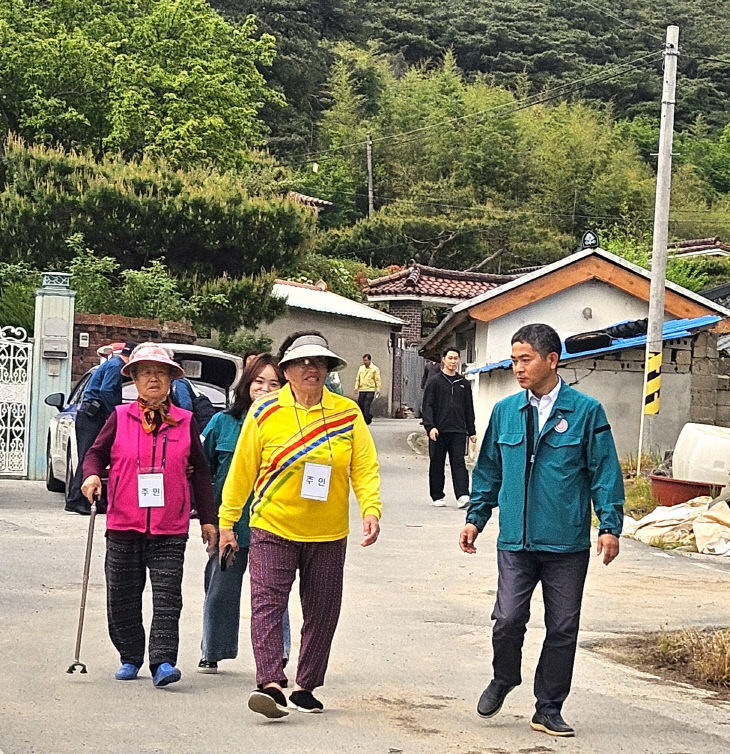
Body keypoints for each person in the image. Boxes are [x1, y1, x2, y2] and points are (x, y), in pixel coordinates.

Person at [458, 323, 624, 738]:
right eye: (514, 360)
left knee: (563, 627)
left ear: (552, 359)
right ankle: (504, 677)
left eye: (525, 359)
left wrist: (609, 524)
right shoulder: (505, 411)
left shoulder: (586, 412)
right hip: (515, 539)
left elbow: (604, 471)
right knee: (508, 619)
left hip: (566, 542)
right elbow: (488, 470)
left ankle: (548, 707)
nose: (517, 368)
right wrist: (475, 518)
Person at [218, 331, 382, 719]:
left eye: (319, 362)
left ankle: (306, 685)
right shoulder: (265, 412)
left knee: (323, 610)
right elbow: (242, 471)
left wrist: (371, 509)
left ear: (328, 370)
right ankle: (271, 683)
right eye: (302, 362)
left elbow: (364, 467)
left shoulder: (347, 413)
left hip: (327, 533)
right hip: (272, 525)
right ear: (286, 370)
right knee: (267, 604)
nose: (311, 368)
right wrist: (227, 521)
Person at [81, 342, 216, 687]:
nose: (153, 379)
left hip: (170, 525)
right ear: (135, 380)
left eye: (160, 372)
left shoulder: (185, 422)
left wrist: (208, 520)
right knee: (122, 595)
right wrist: (92, 475)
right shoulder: (120, 418)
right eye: (145, 373)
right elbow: (95, 454)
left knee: (168, 598)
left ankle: (163, 662)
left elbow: (201, 473)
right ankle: (130, 655)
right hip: (124, 522)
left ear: (172, 380)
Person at [198, 354, 291, 674]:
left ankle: (278, 654)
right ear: (247, 384)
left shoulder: (289, 426)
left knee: (273, 594)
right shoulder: (222, 423)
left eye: (274, 383)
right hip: (230, 524)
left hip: (274, 523)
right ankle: (213, 648)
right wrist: (208, 519)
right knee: (221, 587)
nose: (264, 389)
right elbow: (201, 469)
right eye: (258, 382)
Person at [65, 341, 136, 515]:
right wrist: (116, 414)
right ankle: (77, 500)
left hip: (91, 415)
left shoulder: (113, 363)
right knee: (89, 456)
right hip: (92, 417)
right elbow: (106, 391)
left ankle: (85, 499)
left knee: (88, 456)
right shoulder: (116, 366)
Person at [421, 347, 476, 508]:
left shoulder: (463, 384)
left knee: (459, 462)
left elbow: (469, 408)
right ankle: (437, 495)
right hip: (438, 430)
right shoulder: (435, 381)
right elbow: (428, 406)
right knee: (437, 462)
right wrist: (430, 426)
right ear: (443, 359)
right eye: (450, 358)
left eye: (455, 358)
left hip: (458, 430)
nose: (453, 361)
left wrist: (471, 431)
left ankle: (463, 495)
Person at [354, 353, 381, 425]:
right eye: (364, 360)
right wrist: (356, 387)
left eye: (366, 360)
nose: (364, 362)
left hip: (370, 390)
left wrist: (378, 389)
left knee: (366, 405)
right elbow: (358, 378)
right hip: (362, 389)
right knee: (361, 405)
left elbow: (377, 379)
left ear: (369, 360)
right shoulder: (361, 368)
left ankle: (365, 421)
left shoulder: (375, 369)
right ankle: (368, 417)